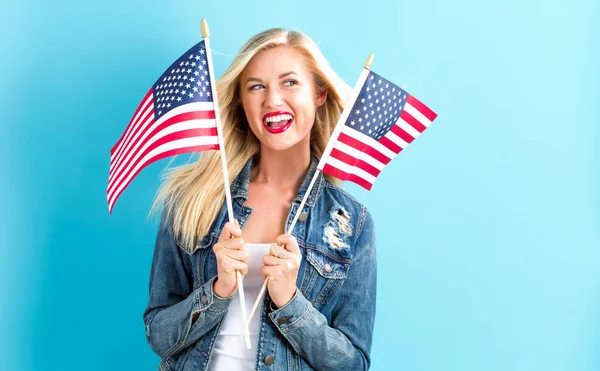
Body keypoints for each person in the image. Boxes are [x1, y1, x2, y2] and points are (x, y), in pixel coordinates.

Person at [143, 28, 377, 371]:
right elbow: (158, 336)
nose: (272, 101)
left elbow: (353, 364)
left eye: (290, 83)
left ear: (319, 94)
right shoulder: (192, 202)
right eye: (256, 86)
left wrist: (290, 302)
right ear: (242, 100)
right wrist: (218, 289)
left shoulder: (351, 223)